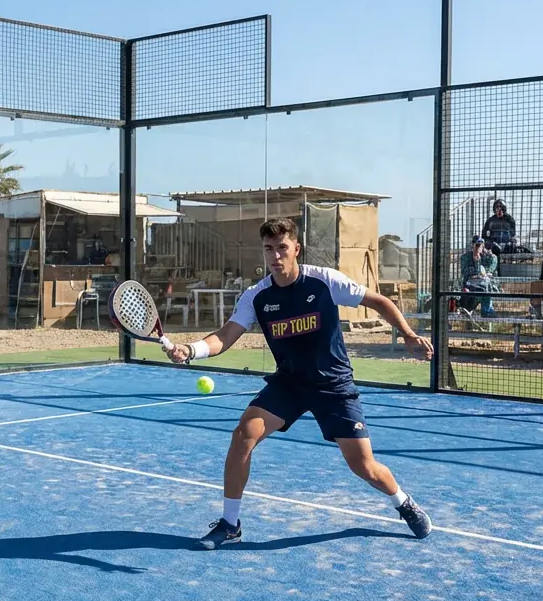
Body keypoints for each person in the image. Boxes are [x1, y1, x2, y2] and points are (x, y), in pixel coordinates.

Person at [164, 218, 435, 549]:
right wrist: (191, 350)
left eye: (281, 248)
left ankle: (402, 502)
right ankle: (230, 525)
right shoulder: (256, 296)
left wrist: (408, 335)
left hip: (333, 384)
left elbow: (380, 302)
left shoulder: (324, 282)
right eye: (268, 249)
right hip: (289, 383)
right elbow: (225, 336)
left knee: (363, 465)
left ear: (296, 249)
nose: (275, 256)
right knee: (243, 434)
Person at [459, 236, 499, 317]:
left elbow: (487, 272)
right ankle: (484, 311)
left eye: (478, 245)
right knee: (477, 288)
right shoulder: (465, 257)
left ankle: (484, 310)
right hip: (471, 284)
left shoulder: (491, 257)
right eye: (475, 245)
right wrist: (476, 259)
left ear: (483, 245)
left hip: (486, 284)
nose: (476, 247)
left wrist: (477, 262)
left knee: (485, 284)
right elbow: (464, 272)